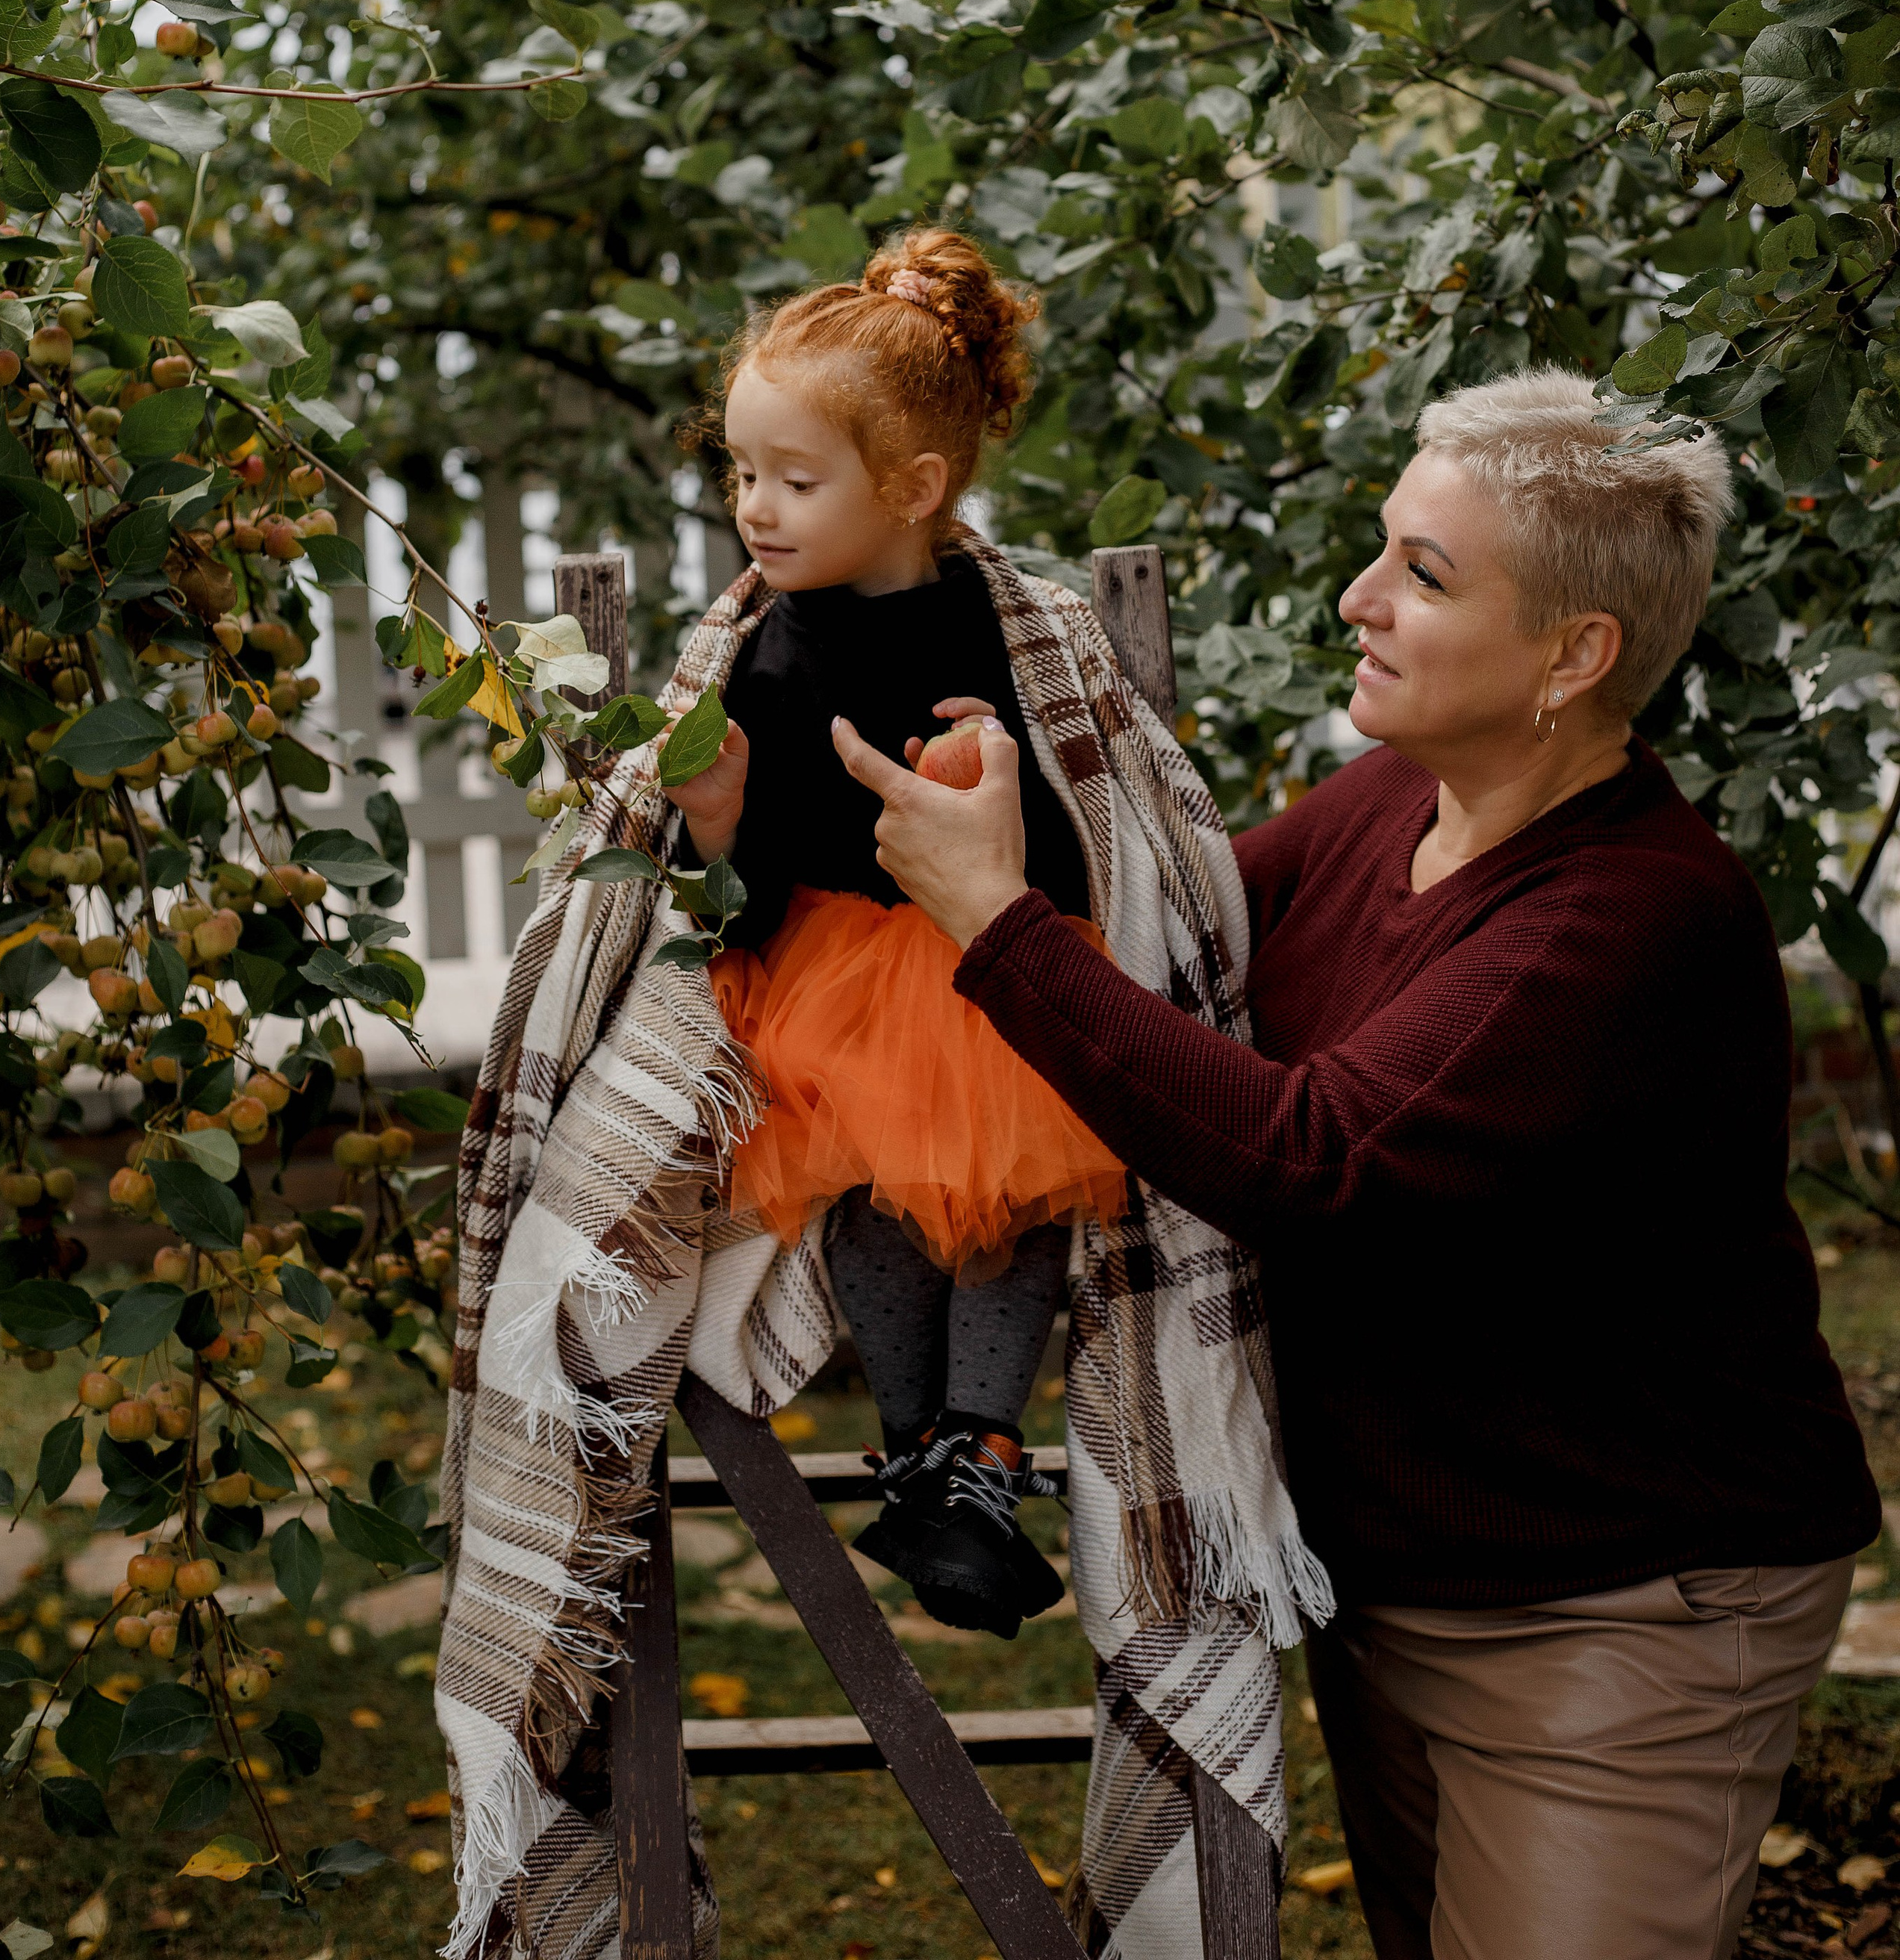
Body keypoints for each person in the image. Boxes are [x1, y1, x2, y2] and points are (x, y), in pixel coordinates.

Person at [833, 367, 1881, 1960]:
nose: (1357, 596)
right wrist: (1018, 824)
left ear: (1570, 657)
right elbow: (1171, 951)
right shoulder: (1398, 802)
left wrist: (996, 920)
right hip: (1396, 1584)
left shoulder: (1621, 919)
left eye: (1425, 574)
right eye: (1383, 548)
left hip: (1624, 1611)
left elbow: (1310, 1155)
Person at [666, 228, 1130, 1637]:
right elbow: (752, 887)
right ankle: (922, 1449)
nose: (756, 508)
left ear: (915, 490)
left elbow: (1094, 836)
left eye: (795, 481)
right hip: (829, 970)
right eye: (744, 473)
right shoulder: (765, 645)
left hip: (989, 954)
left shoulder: (1010, 632)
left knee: (1010, 1196)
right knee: (875, 1188)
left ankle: (978, 1452)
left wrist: (1010, 774)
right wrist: (723, 824)